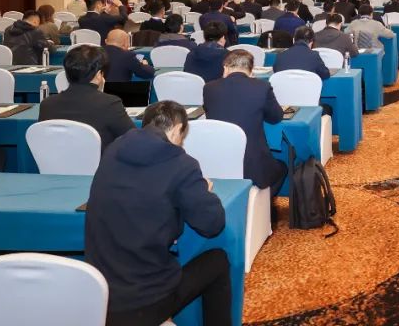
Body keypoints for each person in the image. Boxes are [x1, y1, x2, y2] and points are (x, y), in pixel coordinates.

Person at [86, 100, 231, 326]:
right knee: (218, 261)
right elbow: (212, 224)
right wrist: (203, 189)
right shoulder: (181, 164)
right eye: (182, 137)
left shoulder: (112, 150)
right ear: (177, 129)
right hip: (146, 300)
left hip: (99, 292)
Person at [203, 50, 287, 193]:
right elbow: (276, 117)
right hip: (253, 167)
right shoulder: (262, 87)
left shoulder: (209, 88)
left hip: (216, 163)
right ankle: (261, 203)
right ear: (251, 70)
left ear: (225, 68)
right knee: (283, 167)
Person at [39, 44, 134, 150]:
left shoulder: (47, 104)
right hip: (100, 160)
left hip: (56, 160)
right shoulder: (110, 103)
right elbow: (133, 139)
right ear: (98, 75)